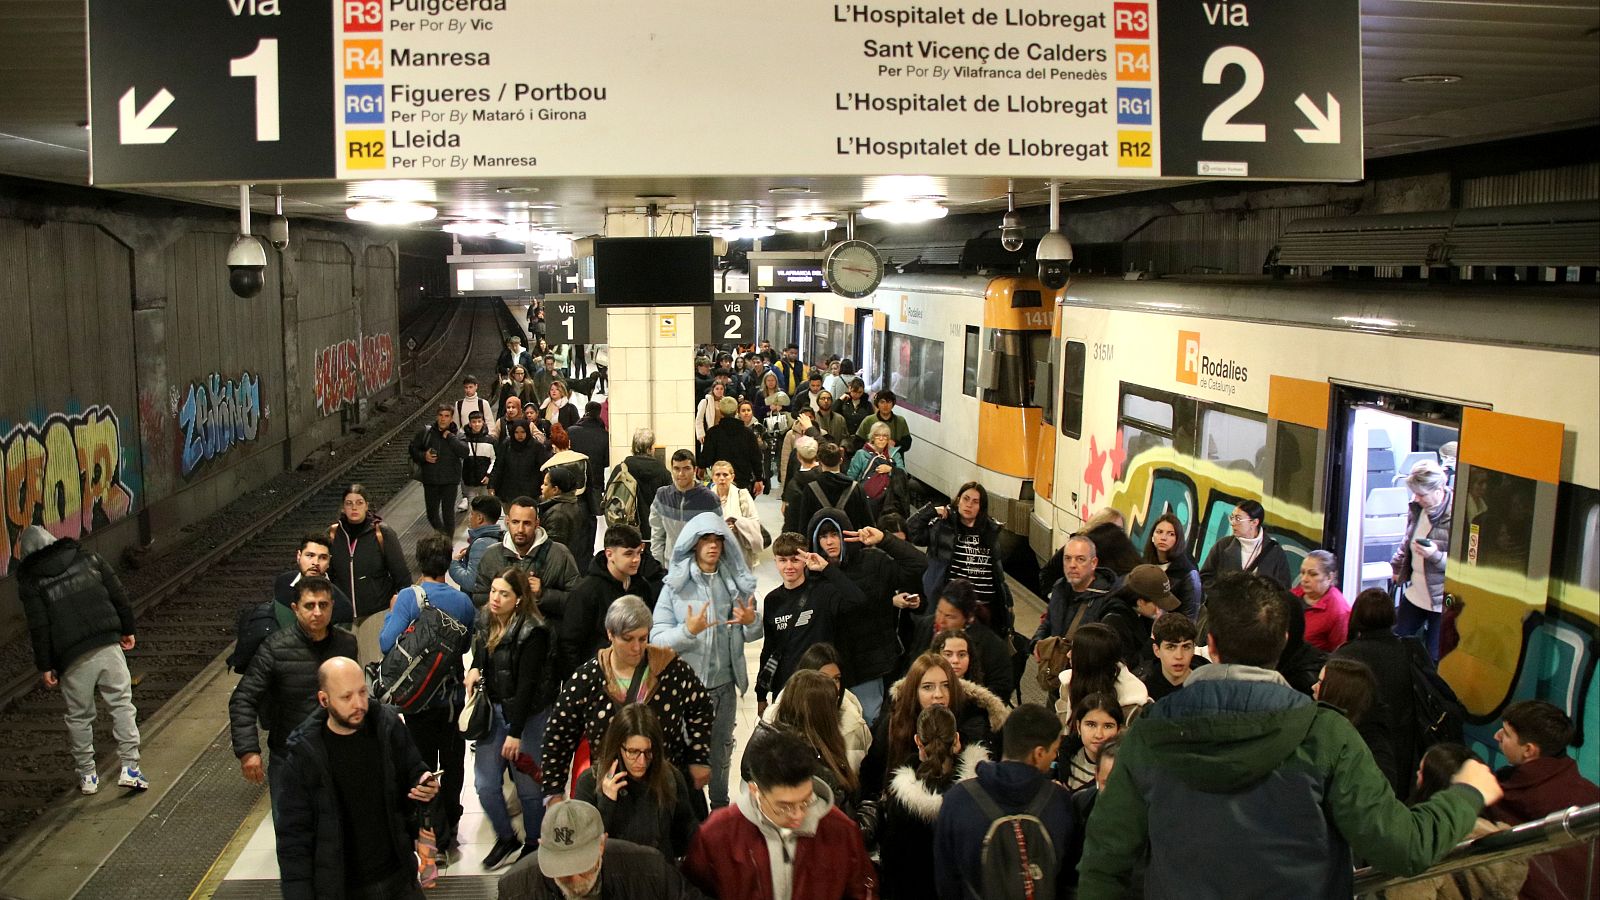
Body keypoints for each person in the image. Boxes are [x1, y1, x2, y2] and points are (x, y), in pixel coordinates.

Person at [1077, 571, 1506, 900]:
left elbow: (1104, 861)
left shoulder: (1149, 735)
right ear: (1283, 641)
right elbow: (1403, 846)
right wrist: (1466, 794)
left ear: (1212, 644)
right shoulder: (1326, 734)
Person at [274, 658, 437, 900]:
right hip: (344, 888)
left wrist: (424, 783)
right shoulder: (303, 757)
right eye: (346, 697)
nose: (359, 704)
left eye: (362, 692)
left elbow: (413, 772)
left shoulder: (387, 726)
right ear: (324, 699)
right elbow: (294, 840)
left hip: (399, 877)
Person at [541, 596, 715, 806]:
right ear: (610, 635)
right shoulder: (588, 679)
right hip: (611, 792)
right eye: (628, 638)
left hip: (665, 787)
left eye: (642, 638)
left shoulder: (670, 669)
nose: (636, 648)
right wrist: (554, 791)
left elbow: (702, 708)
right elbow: (559, 733)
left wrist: (698, 756)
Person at [16, 526, 146, 795]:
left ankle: (88, 775)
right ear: (53, 540)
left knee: (79, 717)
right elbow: (117, 593)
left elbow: (39, 626)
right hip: (107, 643)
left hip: (71, 657)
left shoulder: (32, 581)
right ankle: (130, 768)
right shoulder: (87, 556)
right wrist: (127, 628)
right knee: (122, 704)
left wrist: (46, 664)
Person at [650, 513, 763, 811]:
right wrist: (688, 632)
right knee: (684, 753)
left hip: (725, 687)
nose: (713, 546)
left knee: (721, 752)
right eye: (706, 540)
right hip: (686, 690)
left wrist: (751, 622)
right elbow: (656, 639)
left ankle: (721, 809)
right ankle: (688, 812)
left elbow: (754, 632)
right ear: (693, 544)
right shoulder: (675, 586)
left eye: (718, 540)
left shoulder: (735, 584)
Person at [684, 730, 876, 900]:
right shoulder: (717, 834)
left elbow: (862, 890)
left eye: (806, 801)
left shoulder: (840, 830)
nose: (798, 815)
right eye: (784, 807)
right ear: (755, 790)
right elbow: (695, 891)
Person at [378, 532, 477, 856]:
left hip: (418, 702)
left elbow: (386, 643)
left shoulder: (410, 597)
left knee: (421, 767)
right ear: (447, 563)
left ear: (419, 562)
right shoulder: (462, 601)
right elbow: (463, 646)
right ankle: (451, 833)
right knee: (452, 767)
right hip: (451, 701)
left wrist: (394, 612)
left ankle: (428, 833)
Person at [229, 577, 358, 815]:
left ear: (332, 606)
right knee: (293, 838)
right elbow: (243, 698)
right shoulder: (274, 648)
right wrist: (248, 751)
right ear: (295, 609)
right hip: (289, 759)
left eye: (324, 605)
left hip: (337, 757)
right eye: (310, 606)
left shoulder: (347, 645)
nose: (317, 612)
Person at [933, 703, 1075, 900]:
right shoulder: (1059, 802)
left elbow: (946, 882)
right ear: (1039, 753)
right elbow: (1068, 880)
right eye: (1054, 751)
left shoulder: (957, 800)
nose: (1055, 756)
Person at [466, 567, 557, 869]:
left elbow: (528, 686)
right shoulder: (484, 618)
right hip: (493, 711)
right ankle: (506, 837)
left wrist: (515, 733)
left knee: (529, 788)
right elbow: (481, 649)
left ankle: (534, 842)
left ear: (519, 599)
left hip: (526, 717)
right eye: (493, 591)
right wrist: (475, 667)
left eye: (504, 593)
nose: (495, 598)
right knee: (485, 784)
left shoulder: (534, 630)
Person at [1377, 744, 1528, 900]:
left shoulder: (1428, 843)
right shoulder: (1504, 842)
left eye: (1422, 772)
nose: (1417, 774)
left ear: (1432, 784)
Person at [808, 506, 912, 724]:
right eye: (823, 536)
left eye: (834, 534)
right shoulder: (813, 577)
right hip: (830, 672)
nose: (829, 542)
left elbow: (918, 565)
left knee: (867, 725)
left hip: (868, 668)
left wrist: (884, 540)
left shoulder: (873, 562)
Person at [1488, 700, 1600, 899]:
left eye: (1506, 734)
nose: (1496, 736)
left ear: (1529, 750)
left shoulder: (1503, 798)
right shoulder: (1590, 795)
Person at [863, 652, 1009, 801]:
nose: (938, 694)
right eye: (928, 687)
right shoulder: (893, 723)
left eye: (946, 686)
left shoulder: (973, 723)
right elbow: (870, 776)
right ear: (914, 692)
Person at [878, 705, 989, 899]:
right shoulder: (979, 790)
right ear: (956, 741)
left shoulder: (901, 799)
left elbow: (892, 861)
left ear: (918, 742)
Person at [498, 800, 706, 900]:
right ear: (542, 846)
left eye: (582, 865)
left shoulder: (650, 870)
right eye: (561, 869)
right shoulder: (516, 889)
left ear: (602, 844)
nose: (574, 877)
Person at [756, 533, 868, 715]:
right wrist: (761, 694)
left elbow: (858, 601)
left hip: (821, 687)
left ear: (805, 561)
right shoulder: (772, 600)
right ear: (775, 561)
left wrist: (826, 568)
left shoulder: (823, 592)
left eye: (795, 560)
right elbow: (769, 648)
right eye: (783, 560)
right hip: (786, 688)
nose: (789, 566)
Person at [572, 705, 698, 860]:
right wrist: (606, 803)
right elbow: (581, 847)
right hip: (612, 876)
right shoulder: (589, 782)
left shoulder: (671, 778)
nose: (642, 761)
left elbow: (686, 836)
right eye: (633, 752)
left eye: (648, 752)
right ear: (619, 746)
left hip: (658, 873)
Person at [741, 670, 862, 816]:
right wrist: (871, 813)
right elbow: (837, 827)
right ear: (823, 713)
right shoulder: (812, 768)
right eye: (833, 703)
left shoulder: (768, 739)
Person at [1335, 587, 1422, 790]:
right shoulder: (1409, 651)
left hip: (1361, 747)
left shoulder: (1346, 657)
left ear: (1356, 616)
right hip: (1405, 748)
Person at [559, 524, 663, 683]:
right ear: (609, 554)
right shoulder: (586, 591)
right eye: (628, 554)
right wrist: (580, 683)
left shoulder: (642, 587)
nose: (636, 559)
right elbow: (569, 644)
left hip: (634, 677)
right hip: (597, 679)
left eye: (638, 553)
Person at [908, 481, 1014, 634]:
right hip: (952, 609)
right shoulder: (943, 527)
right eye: (966, 499)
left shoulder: (990, 532)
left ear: (981, 508)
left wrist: (1007, 603)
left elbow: (997, 572)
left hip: (982, 613)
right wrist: (931, 510)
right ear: (958, 500)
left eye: (975, 502)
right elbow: (911, 531)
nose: (969, 505)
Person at [328, 483, 411, 665]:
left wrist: (399, 605)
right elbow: (331, 576)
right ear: (343, 507)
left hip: (376, 611)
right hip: (344, 617)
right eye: (349, 503)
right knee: (346, 667)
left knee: (371, 665)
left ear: (367, 505)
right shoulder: (335, 535)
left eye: (359, 502)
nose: (354, 507)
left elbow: (402, 575)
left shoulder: (381, 533)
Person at [761, 643, 874, 773]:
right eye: (823, 679)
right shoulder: (776, 719)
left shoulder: (853, 725)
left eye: (836, 679)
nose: (833, 687)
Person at [471, 496, 583, 622]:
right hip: (501, 635)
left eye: (527, 523)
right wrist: (506, 598)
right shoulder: (491, 555)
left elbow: (577, 601)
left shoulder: (559, 554)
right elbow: (478, 596)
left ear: (537, 523)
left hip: (545, 636)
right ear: (507, 521)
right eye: (515, 522)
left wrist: (543, 594)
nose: (520, 529)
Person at [906, 579, 1015, 703]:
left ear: (968, 618)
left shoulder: (992, 646)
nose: (940, 620)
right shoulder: (926, 627)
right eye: (939, 611)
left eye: (949, 616)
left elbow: (1001, 691)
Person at [1031, 535, 1134, 665]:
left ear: (1093, 563)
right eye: (1067, 559)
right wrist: (1037, 641)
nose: (1072, 565)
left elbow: (1112, 649)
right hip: (1059, 670)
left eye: (1080, 559)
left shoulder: (1108, 599)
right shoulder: (1059, 588)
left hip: (1087, 674)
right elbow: (1048, 622)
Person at [1392, 460, 1453, 659]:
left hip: (1440, 601)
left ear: (1438, 490)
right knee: (1398, 644)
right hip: (1415, 593)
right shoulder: (1418, 510)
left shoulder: (1457, 517)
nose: (1416, 498)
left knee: (1435, 656)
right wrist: (1397, 565)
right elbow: (1407, 539)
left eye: (1421, 494)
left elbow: (1462, 567)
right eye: (1415, 493)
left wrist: (1434, 555)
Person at [1315, 658, 1401, 793]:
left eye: (1320, 682)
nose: (1313, 687)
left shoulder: (1373, 743)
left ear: (1338, 692)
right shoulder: (1327, 724)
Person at [1057, 622, 1149, 725]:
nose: (1068, 654)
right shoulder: (1069, 682)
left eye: (1075, 651)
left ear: (1091, 659)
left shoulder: (1132, 705)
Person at [1198, 499, 1293, 590]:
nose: (1232, 523)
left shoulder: (1275, 552)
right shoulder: (1222, 546)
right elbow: (1205, 578)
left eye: (1238, 519)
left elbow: (1284, 589)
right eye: (1232, 517)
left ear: (1254, 522)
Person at [648, 450, 721, 563]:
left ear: (695, 470)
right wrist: (658, 567)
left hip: (699, 567)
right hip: (671, 566)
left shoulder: (709, 499)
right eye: (677, 468)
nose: (681, 474)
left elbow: (718, 537)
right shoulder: (662, 496)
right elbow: (657, 536)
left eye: (686, 468)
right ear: (671, 470)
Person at [272, 532, 355, 629]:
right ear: (299, 556)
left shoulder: (341, 605)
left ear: (329, 561)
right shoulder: (283, 582)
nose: (315, 563)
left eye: (323, 558)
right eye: (310, 555)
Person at [410, 404, 470, 535]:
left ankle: (447, 543)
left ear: (451, 418)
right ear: (437, 416)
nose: (443, 419)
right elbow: (413, 449)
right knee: (432, 515)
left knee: (448, 514)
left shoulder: (458, 435)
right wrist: (423, 456)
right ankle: (444, 537)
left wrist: (450, 437)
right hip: (431, 480)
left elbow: (464, 452)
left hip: (450, 481)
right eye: (441, 415)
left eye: (446, 416)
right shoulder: (427, 432)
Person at [1142, 511, 1202, 620]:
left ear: (1178, 540)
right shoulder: (1144, 564)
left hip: (1168, 632)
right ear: (1152, 536)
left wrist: (1157, 615)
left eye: (1171, 534)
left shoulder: (1188, 573)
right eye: (1159, 532)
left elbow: (1188, 618)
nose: (1163, 537)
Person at [699, 397, 765, 496]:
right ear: (736, 412)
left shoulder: (713, 433)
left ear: (721, 412)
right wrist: (759, 479)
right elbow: (756, 458)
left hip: (720, 482)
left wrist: (701, 467)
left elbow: (706, 458)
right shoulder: (748, 433)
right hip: (743, 483)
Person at [1138, 612, 1208, 703]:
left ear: (1194, 649)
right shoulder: (1144, 691)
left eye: (1186, 647)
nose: (1179, 656)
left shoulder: (1210, 682)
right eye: (1171, 647)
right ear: (1157, 651)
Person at [1061, 692, 1126, 790]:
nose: (1099, 735)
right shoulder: (1063, 755)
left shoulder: (1126, 769)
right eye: (1091, 725)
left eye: (1108, 726)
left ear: (1118, 730)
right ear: (1078, 727)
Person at [846, 421, 908, 521]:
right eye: (877, 435)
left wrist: (891, 469)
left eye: (885, 436)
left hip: (889, 501)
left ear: (888, 438)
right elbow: (851, 477)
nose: (881, 438)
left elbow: (903, 474)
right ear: (872, 437)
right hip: (865, 501)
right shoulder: (861, 454)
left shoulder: (895, 454)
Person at [620, 428, 673, 538]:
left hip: (627, 529)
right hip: (655, 530)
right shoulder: (663, 472)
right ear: (650, 448)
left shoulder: (622, 469)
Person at [1295, 549, 1351, 654]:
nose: (1304, 579)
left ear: (1330, 577)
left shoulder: (1339, 611)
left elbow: (1340, 654)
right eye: (1302, 572)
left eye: (1313, 574)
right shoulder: (1292, 595)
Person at [708, 459, 764, 562]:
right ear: (713, 478)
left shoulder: (742, 495)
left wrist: (738, 526)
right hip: (715, 551)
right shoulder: (707, 498)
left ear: (732, 477)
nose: (722, 478)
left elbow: (755, 522)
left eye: (725, 475)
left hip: (739, 549)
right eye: (718, 475)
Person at [449, 494, 504, 592]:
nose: (469, 517)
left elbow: (471, 583)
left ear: (480, 518)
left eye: (471, 514)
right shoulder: (498, 537)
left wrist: (454, 563)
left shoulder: (481, 544)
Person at [541, 466, 595, 565]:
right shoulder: (573, 505)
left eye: (545, 484)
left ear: (555, 489)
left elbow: (554, 549)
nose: (541, 487)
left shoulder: (557, 514)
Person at [493, 418, 553, 501]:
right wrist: (492, 485)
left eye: (523, 432)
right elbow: (499, 466)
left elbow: (543, 468)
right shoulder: (506, 445)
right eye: (516, 432)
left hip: (531, 492)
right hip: (509, 491)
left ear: (527, 432)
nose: (520, 435)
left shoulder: (536, 447)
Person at [568, 400, 611, 509]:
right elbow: (606, 462)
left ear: (585, 411)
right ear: (599, 413)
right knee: (594, 514)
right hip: (595, 481)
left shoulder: (571, 431)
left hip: (574, 479)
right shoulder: (604, 435)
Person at [779, 435, 822, 532]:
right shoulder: (825, 476)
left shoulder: (795, 484)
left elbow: (791, 520)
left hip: (799, 529)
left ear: (798, 456)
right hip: (821, 528)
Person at [459, 408, 498, 511]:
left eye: (479, 421)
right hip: (469, 480)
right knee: (473, 509)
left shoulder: (490, 441)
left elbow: (495, 460)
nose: (476, 424)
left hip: (485, 480)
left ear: (483, 422)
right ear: (470, 423)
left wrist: (489, 475)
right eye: (474, 422)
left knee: (486, 508)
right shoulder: (464, 440)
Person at [855, 389, 912, 456]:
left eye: (888, 402)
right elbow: (857, 442)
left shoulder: (900, 421)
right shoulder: (868, 420)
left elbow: (907, 443)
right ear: (877, 404)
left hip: (894, 461)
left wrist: (895, 443)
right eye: (882, 402)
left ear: (893, 404)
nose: (885, 405)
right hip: (871, 460)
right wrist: (872, 446)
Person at [455, 374, 498, 445]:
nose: (468, 390)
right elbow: (456, 424)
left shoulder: (483, 403)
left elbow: (490, 423)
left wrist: (489, 438)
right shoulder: (459, 404)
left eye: (470, 387)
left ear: (476, 386)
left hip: (481, 439)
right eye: (466, 387)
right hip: (464, 439)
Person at [693, 377, 728, 449]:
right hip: (710, 432)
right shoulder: (706, 401)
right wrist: (700, 434)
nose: (719, 391)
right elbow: (699, 419)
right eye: (717, 389)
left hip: (724, 433)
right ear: (713, 390)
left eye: (721, 389)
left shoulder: (726, 402)